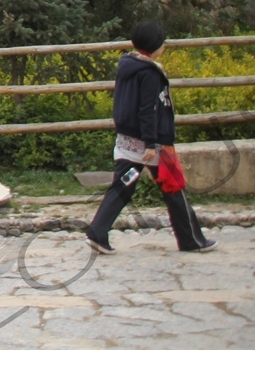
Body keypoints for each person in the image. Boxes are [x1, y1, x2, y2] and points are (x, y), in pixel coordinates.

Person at [85, 20, 214, 255]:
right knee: (173, 188)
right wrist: (152, 143)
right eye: (162, 43)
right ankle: (191, 240)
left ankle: (97, 231)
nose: (164, 46)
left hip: (128, 142)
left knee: (123, 185)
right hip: (152, 147)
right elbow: (148, 109)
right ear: (155, 46)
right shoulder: (150, 73)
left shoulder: (128, 66)